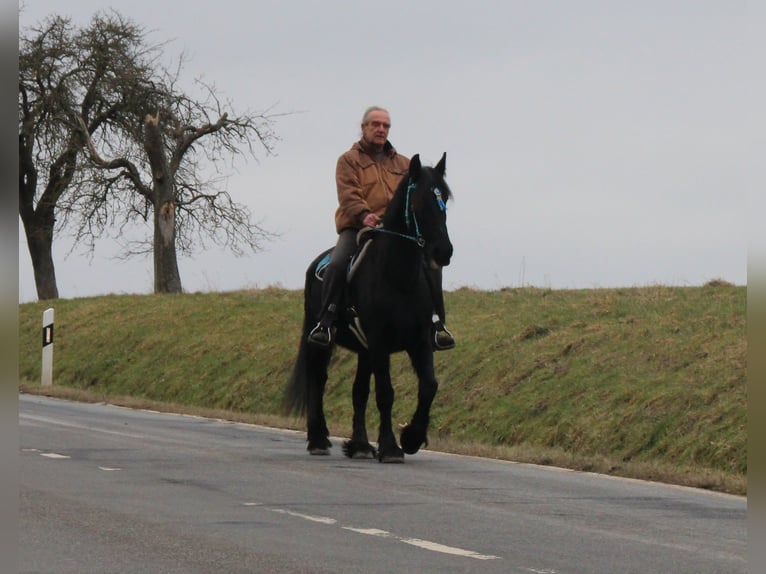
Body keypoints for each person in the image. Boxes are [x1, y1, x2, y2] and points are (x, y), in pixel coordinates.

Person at [307, 106, 455, 350]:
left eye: (385, 126)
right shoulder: (348, 161)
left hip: (397, 232)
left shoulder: (405, 164)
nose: (381, 129)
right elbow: (348, 194)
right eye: (375, 124)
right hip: (358, 228)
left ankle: (437, 325)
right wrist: (365, 215)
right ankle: (326, 321)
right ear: (364, 128)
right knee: (337, 263)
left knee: (431, 265)